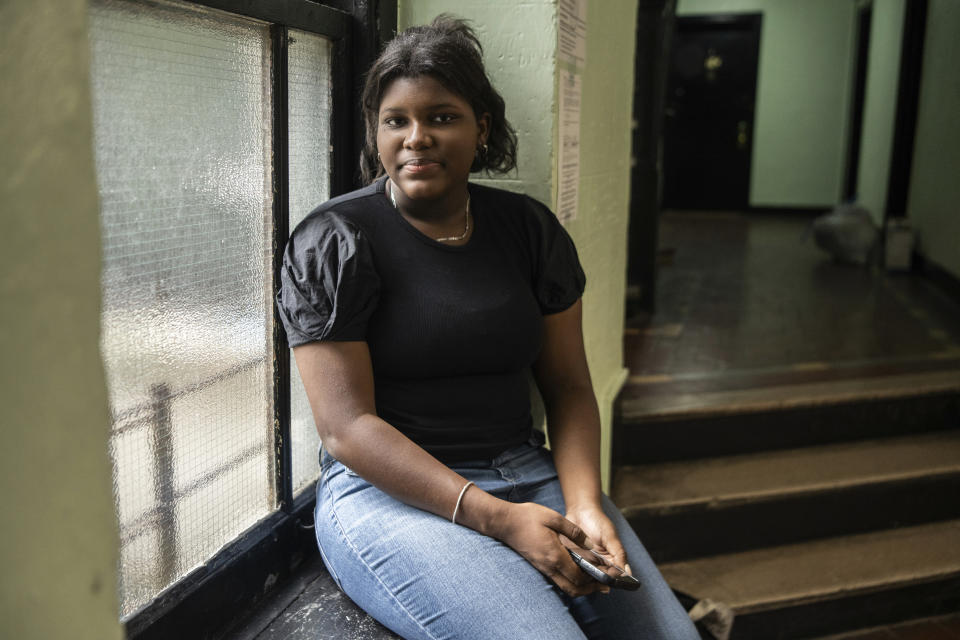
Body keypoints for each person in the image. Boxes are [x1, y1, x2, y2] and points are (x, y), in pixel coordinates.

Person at [276, 15, 700, 640]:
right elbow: (346, 431)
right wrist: (499, 519)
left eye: (442, 116)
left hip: (528, 471)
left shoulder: (528, 230)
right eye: (396, 120)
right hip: (391, 495)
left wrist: (585, 502)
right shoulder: (335, 240)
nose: (416, 137)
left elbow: (570, 387)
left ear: (482, 128)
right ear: (377, 131)